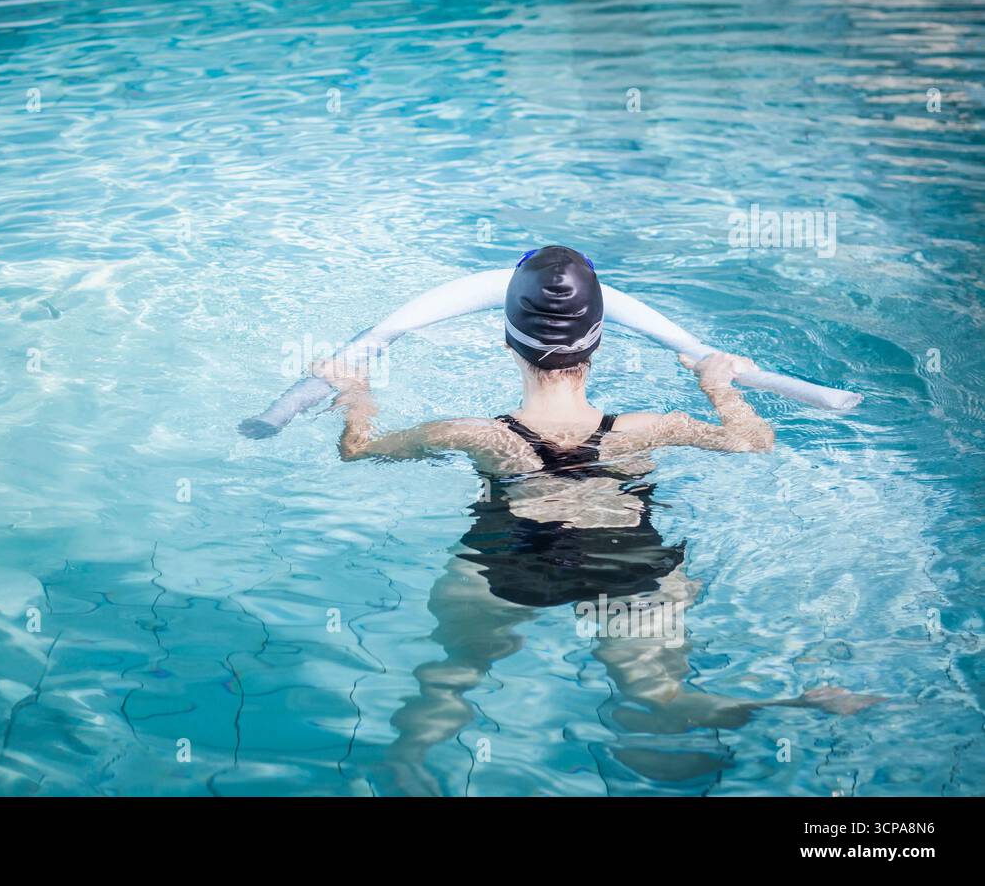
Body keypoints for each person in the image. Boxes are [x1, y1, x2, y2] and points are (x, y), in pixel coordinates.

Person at [313, 245, 881, 795]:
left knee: (452, 676)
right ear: (598, 344)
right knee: (657, 695)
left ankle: (406, 761)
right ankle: (794, 707)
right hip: (629, 565)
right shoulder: (650, 427)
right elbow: (754, 443)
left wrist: (355, 391)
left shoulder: (471, 433)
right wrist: (718, 386)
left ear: (509, 343)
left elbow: (357, 450)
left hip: (506, 564)